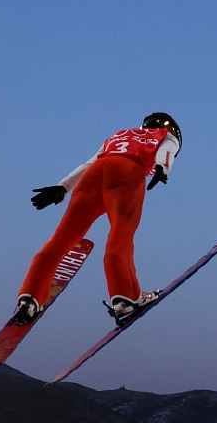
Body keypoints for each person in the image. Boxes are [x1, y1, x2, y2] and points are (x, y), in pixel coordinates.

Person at [12, 113, 182, 325]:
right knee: (121, 234)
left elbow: (90, 163)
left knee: (61, 239)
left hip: (93, 175)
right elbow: (167, 150)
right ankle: (125, 297)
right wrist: (163, 167)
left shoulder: (120, 135)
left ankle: (29, 298)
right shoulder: (166, 135)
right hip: (127, 171)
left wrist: (62, 187)